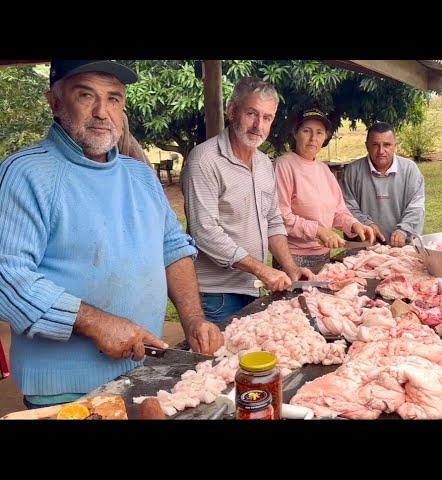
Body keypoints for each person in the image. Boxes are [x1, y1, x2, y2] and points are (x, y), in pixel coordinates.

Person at [0, 60, 223, 409]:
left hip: (144, 373)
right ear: (55, 102)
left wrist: (194, 319)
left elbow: (174, 249)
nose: (102, 112)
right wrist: (94, 322)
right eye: (85, 95)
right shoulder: (25, 173)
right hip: (67, 392)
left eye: (114, 98)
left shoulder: (140, 175)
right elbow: (7, 279)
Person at [182, 77, 313, 324]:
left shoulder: (264, 163)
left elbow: (273, 221)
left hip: (252, 287)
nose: (258, 126)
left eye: (267, 118)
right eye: (251, 114)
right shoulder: (204, 160)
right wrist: (262, 269)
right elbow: (205, 232)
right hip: (216, 293)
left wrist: (291, 268)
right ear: (232, 110)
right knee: (219, 360)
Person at [273, 108, 375, 273]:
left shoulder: (324, 170)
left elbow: (338, 211)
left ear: (325, 138)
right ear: (295, 133)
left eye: (319, 133)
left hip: (324, 256)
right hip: (291, 258)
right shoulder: (283, 166)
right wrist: (318, 230)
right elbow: (280, 217)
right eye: (307, 131)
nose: (313, 138)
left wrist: (355, 225)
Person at [340, 122, 425, 247]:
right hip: (362, 247)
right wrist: (366, 224)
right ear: (367, 146)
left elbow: (416, 207)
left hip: (403, 247)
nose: (381, 151)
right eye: (375, 145)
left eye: (387, 145)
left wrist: (403, 230)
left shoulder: (410, 169)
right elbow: (346, 207)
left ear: (395, 146)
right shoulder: (352, 171)